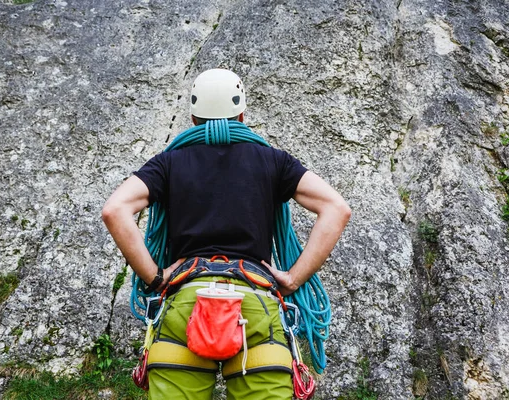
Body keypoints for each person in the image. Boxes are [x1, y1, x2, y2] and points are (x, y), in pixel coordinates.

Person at [102, 68, 351, 399]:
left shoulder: (168, 163)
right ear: (241, 113)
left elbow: (114, 209)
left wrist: (156, 278)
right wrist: (292, 278)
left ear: (192, 116)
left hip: (186, 301)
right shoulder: (274, 162)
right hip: (255, 303)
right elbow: (337, 208)